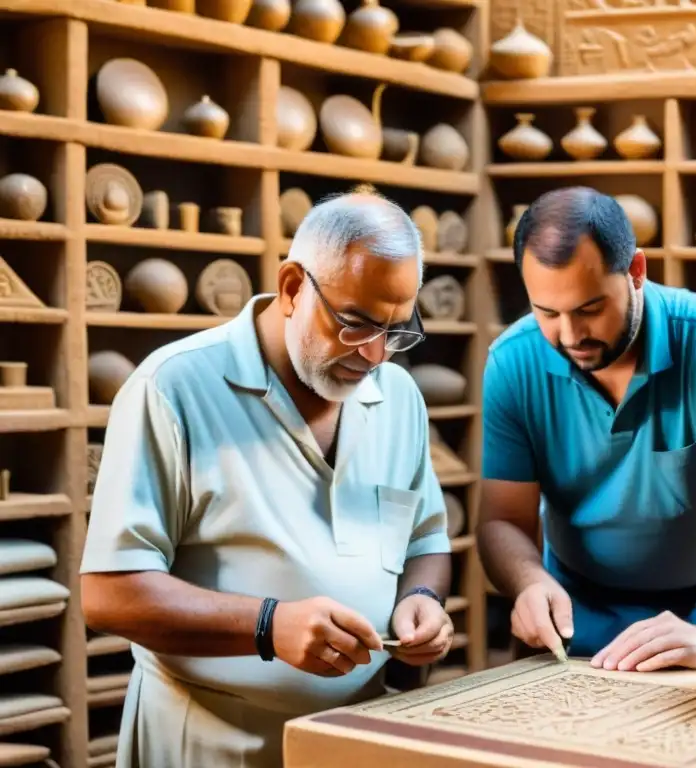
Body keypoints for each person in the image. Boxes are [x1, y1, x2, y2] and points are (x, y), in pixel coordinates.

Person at [79, 190, 455, 767]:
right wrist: (267, 625)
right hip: (208, 742)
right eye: (355, 323)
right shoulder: (174, 387)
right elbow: (109, 594)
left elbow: (426, 541)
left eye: (397, 328)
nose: (377, 354)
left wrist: (422, 599)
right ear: (291, 287)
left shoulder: (398, 395)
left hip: (354, 736)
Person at [477, 186, 696, 673]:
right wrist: (528, 581)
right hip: (575, 610)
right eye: (547, 313)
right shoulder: (512, 361)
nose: (569, 336)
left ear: (636, 272)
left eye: (588, 309)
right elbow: (502, 519)